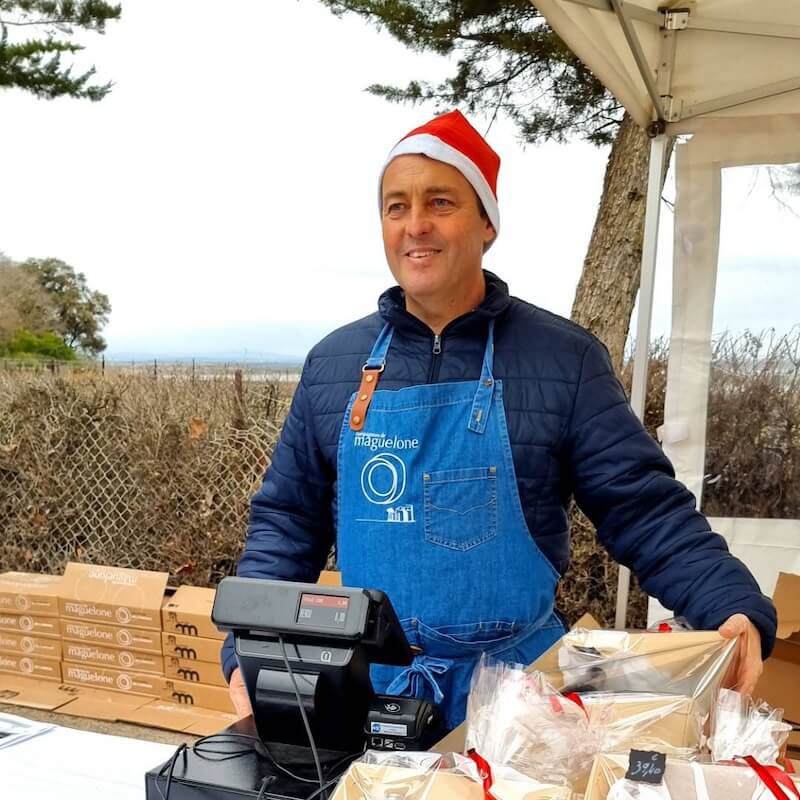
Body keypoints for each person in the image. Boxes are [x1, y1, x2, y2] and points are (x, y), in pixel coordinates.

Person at [221, 110, 776, 729]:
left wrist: (730, 603)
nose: (416, 226)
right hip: (368, 694)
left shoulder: (563, 360)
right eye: (396, 206)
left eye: (440, 202)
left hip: (517, 701)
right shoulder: (335, 365)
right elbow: (288, 522)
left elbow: (641, 507)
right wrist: (250, 649)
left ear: (486, 223)